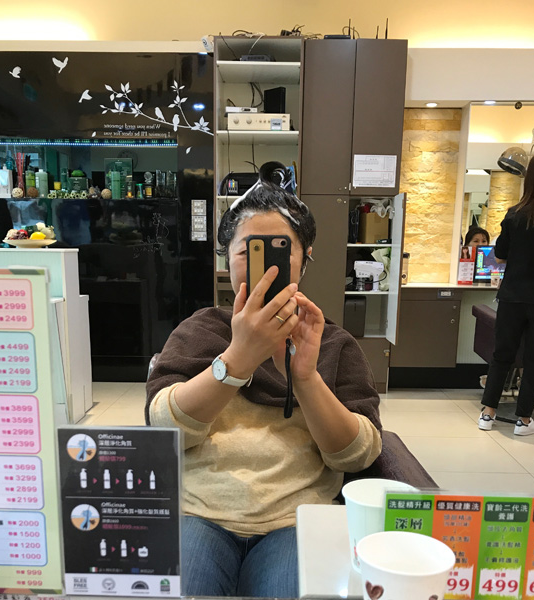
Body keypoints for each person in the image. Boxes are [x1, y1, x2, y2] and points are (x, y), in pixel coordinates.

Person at [145, 162, 382, 598]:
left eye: (281, 249)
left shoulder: (332, 342)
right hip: (200, 514)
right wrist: (238, 358)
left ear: (304, 260)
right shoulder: (200, 330)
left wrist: (305, 377)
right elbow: (164, 429)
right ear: (227, 259)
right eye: (248, 251)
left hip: (297, 518)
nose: (266, 264)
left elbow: (356, 455)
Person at [478, 153, 534, 435]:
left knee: (502, 355)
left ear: (529, 178)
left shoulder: (515, 214)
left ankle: (488, 414)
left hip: (512, 295)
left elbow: (500, 255)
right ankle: (524, 420)